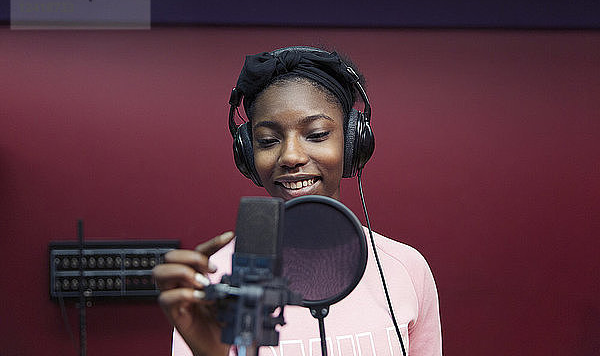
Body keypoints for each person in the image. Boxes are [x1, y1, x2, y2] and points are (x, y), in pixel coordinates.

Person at [153, 46, 442, 356]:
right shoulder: (215, 282)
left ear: (352, 141)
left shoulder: (406, 270)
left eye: (316, 134)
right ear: (248, 153)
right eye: (267, 140)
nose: (290, 156)